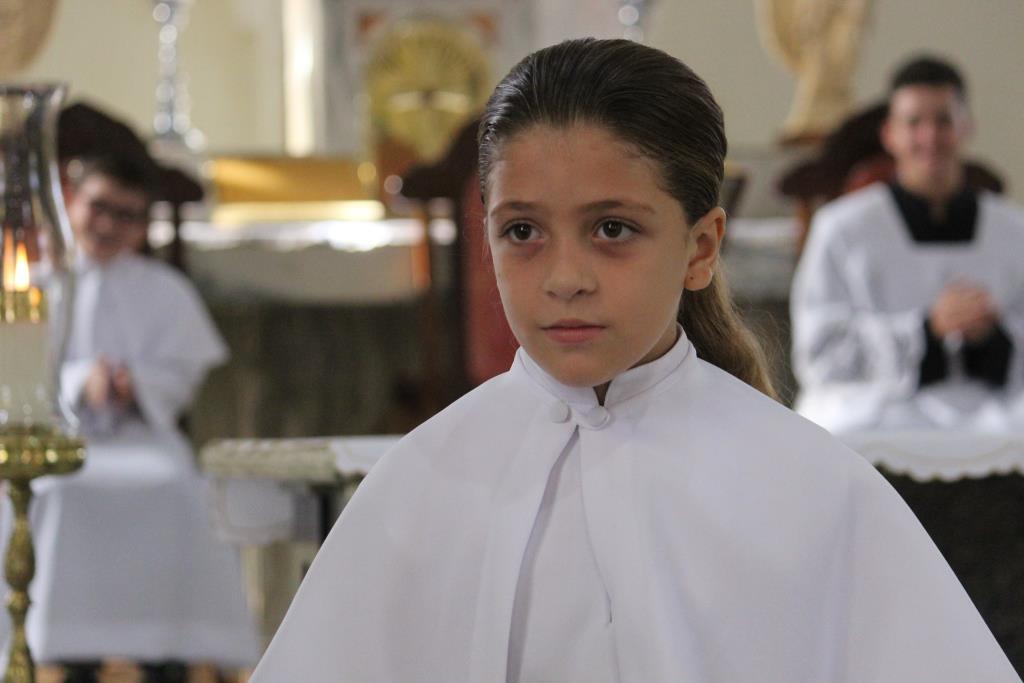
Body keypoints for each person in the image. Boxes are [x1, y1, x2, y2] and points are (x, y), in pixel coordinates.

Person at [251, 39, 1016, 681]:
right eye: (523, 231)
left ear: (701, 247)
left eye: (612, 228)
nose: (565, 277)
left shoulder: (815, 491)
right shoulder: (416, 486)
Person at [0, 155, 259, 680]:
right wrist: (80, 383)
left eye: (127, 215)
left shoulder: (164, 290)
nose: (108, 225)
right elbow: (14, 375)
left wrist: (134, 384)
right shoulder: (36, 285)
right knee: (56, 492)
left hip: (143, 439)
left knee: (181, 490)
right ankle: (57, 646)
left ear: (144, 225)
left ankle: (173, 646)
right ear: (72, 201)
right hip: (58, 438)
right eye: (99, 207)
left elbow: (181, 376)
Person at [791, 56, 1024, 432]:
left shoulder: (1014, 230)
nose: (930, 138)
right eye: (914, 122)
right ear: (890, 134)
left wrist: (992, 337)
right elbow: (818, 356)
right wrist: (927, 332)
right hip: (882, 408)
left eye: (944, 121)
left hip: (996, 409)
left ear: (966, 126)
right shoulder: (841, 228)